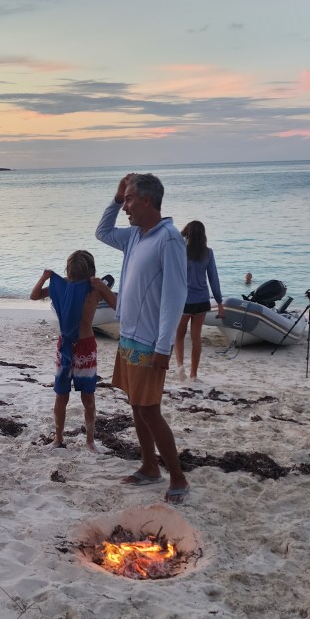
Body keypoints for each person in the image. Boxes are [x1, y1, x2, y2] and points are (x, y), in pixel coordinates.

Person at [95, 172, 190, 503]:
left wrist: (164, 346)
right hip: (129, 336)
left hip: (151, 342)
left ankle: (178, 477)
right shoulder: (135, 236)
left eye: (130, 200)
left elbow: (175, 297)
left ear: (147, 201)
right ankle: (149, 467)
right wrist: (116, 195)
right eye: (124, 201)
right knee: (136, 406)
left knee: (149, 410)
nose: (126, 207)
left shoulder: (170, 239)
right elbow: (102, 232)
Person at [30, 250, 116, 451]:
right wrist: (44, 277)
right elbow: (34, 296)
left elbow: (118, 306)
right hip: (66, 346)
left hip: (86, 347)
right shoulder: (62, 287)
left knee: (87, 396)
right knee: (62, 395)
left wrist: (102, 285)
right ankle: (59, 438)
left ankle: (90, 441)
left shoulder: (94, 289)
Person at [174, 220, 224, 382]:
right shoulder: (208, 253)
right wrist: (219, 302)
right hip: (202, 300)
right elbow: (213, 279)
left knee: (179, 335)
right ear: (203, 235)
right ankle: (194, 375)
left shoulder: (180, 251)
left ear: (187, 233)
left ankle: (180, 366)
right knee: (196, 337)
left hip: (184, 301)